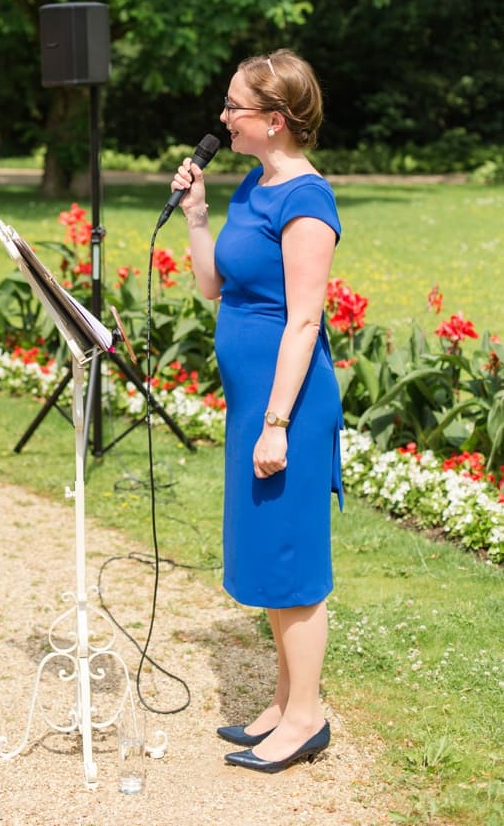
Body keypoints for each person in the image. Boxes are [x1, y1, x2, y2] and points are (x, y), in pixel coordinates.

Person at [171, 49, 343, 773]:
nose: (222, 117)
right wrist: (198, 216)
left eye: (234, 107)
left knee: (292, 560)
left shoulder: (306, 199)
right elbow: (215, 285)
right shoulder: (251, 183)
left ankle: (307, 717)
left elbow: (304, 320)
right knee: (267, 553)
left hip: (290, 408)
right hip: (254, 405)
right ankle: (281, 701)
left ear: (274, 121)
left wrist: (276, 422)